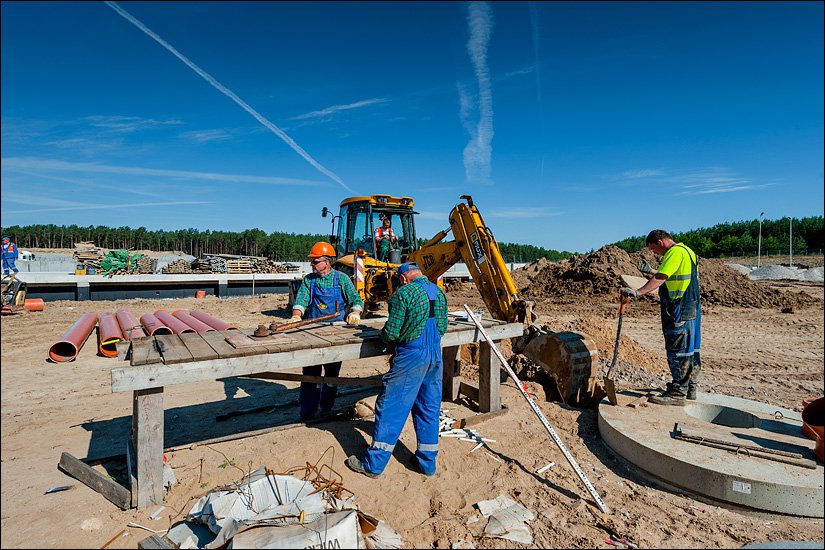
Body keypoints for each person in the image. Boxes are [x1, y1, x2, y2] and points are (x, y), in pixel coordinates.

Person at [345, 261, 449, 478]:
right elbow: (443, 327)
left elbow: (391, 332)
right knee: (428, 407)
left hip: (411, 356)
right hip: (435, 356)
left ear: (402, 278)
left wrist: (383, 342)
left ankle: (373, 465)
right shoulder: (439, 292)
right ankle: (427, 463)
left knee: (391, 407)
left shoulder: (403, 294)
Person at [621, 230, 701, 406]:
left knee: (677, 349)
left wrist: (637, 292)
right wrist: (650, 271)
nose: (654, 253)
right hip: (691, 305)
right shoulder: (686, 251)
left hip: (678, 307)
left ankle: (678, 392)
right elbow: (671, 274)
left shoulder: (673, 252)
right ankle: (690, 388)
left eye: (654, 249)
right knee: (690, 348)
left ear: (660, 242)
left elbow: (662, 277)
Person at [290, 241, 364, 419]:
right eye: (312, 261)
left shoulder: (342, 279)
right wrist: (296, 315)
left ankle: (326, 408)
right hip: (314, 333)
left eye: (315, 261)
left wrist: (355, 312)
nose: (312, 265)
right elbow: (301, 300)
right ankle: (307, 412)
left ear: (327, 262)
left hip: (335, 333)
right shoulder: (309, 280)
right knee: (310, 375)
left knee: (332, 375)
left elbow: (356, 299)